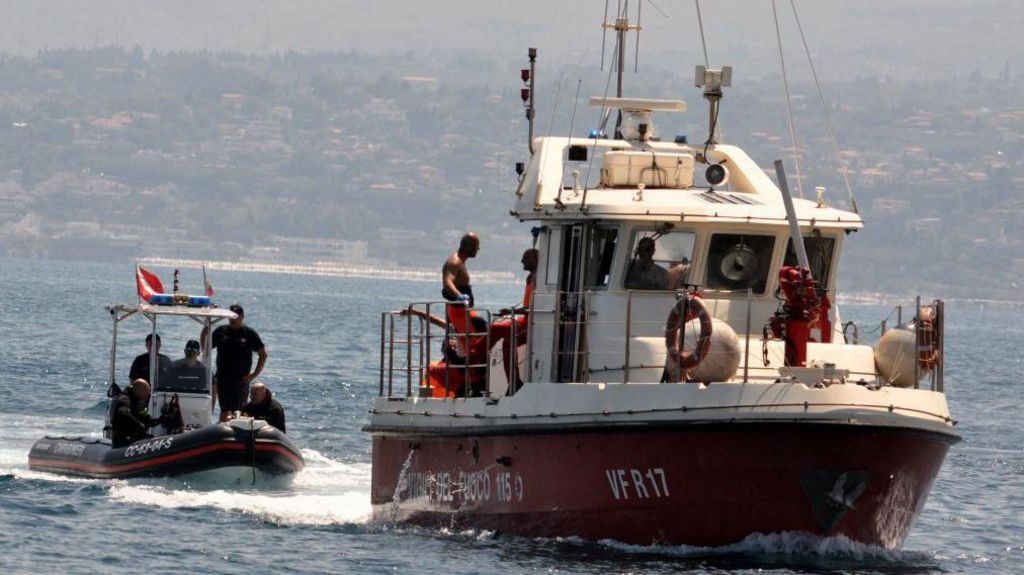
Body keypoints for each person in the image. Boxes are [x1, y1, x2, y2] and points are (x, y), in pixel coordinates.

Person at [202, 304, 268, 422]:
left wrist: (254, 374)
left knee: (238, 411)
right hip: (222, 378)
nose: (233, 319)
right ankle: (222, 435)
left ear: (242, 317)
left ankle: (237, 435)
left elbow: (263, 354)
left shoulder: (249, 333)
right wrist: (205, 330)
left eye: (236, 316)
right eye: (230, 316)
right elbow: (206, 350)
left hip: (241, 380)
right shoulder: (221, 331)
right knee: (225, 411)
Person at [110, 379, 176, 447]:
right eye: (146, 391)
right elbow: (123, 413)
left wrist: (161, 420)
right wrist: (140, 426)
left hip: (134, 437)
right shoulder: (124, 399)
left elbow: (147, 420)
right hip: (122, 440)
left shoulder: (140, 402)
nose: (148, 394)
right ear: (138, 390)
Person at [442, 232, 480, 306]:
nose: (478, 249)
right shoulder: (454, 262)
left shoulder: (461, 261)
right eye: (477, 246)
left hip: (465, 309)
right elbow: (447, 282)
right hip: (459, 310)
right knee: (479, 318)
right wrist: (459, 296)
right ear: (469, 247)